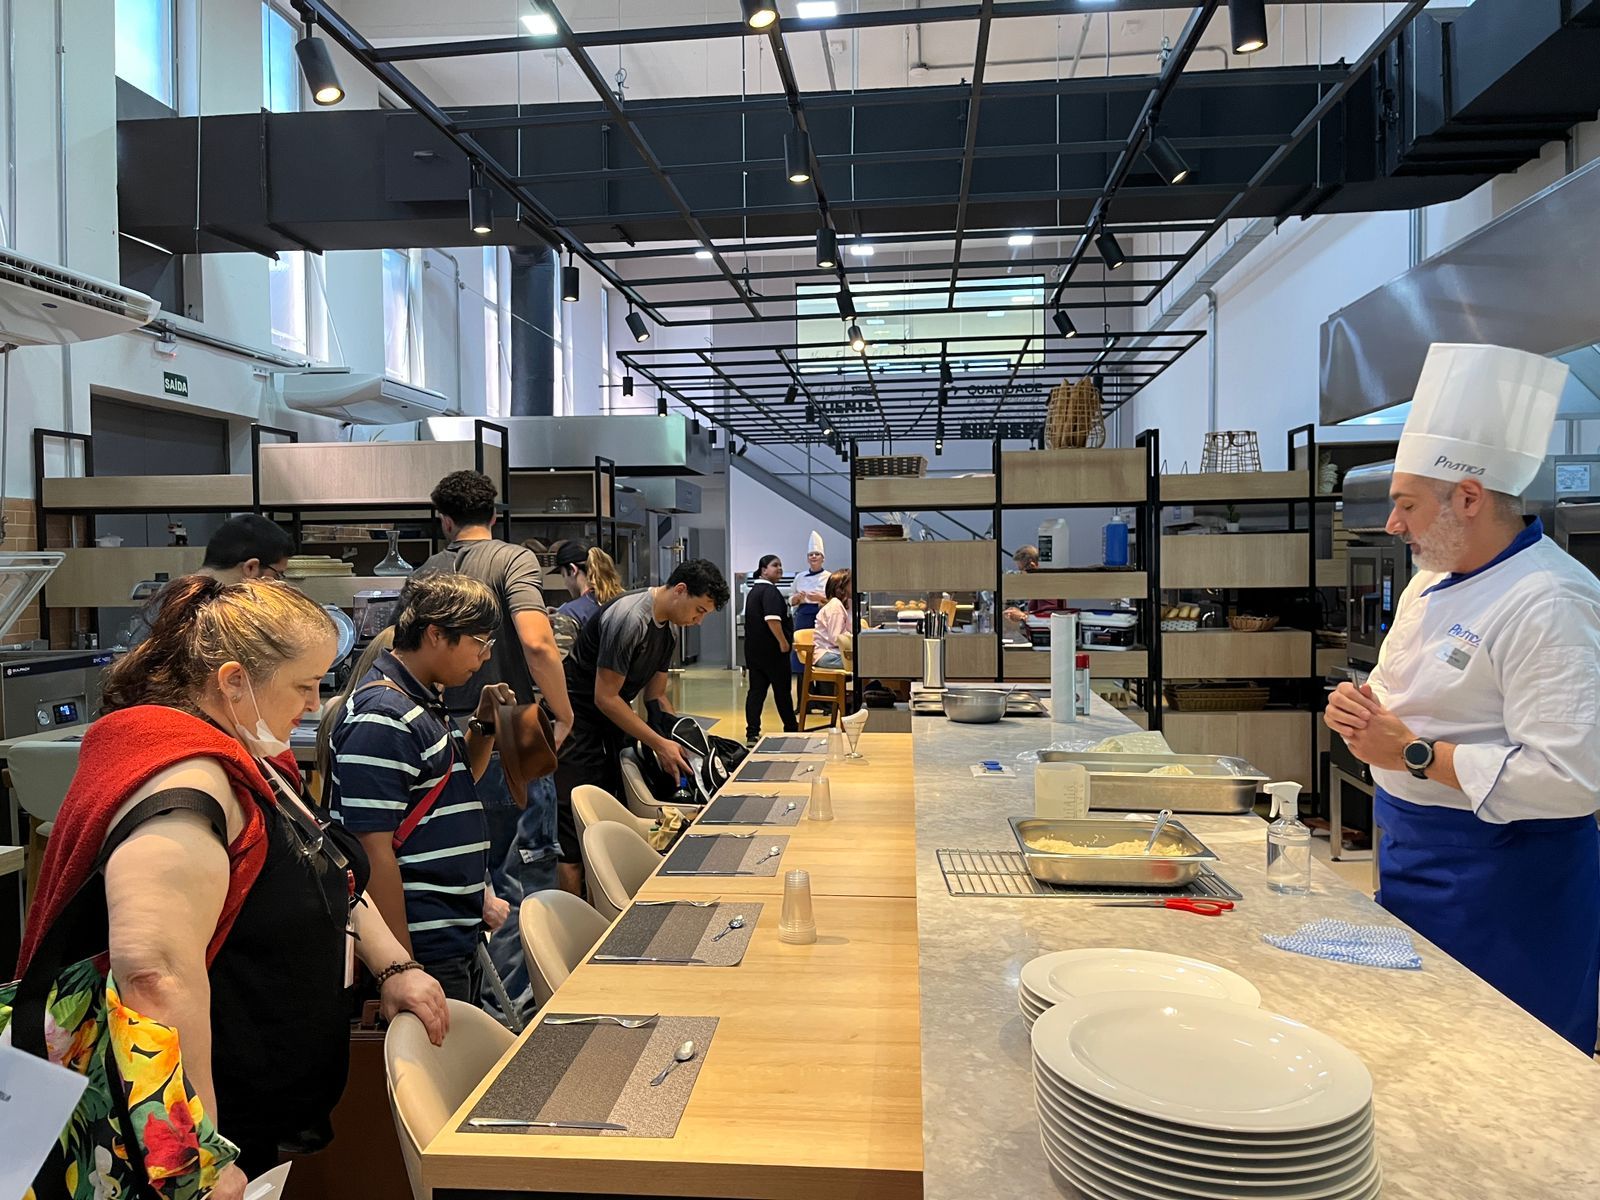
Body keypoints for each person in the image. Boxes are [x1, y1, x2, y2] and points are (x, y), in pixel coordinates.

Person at [16, 577, 447, 1196]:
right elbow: (153, 976)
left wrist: (393, 966)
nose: (315, 700)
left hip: (254, 1117)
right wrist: (196, 1159)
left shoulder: (245, 756)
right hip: (189, 1145)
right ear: (233, 680)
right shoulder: (183, 790)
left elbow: (329, 866)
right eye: (304, 685)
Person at [1323, 342, 1600, 1053]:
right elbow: (1397, 694)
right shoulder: (1430, 579)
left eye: (1406, 504)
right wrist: (1357, 709)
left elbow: (1570, 781)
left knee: (1510, 1085)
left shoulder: (1551, 600)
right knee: (1420, 1070)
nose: (1393, 525)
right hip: (1415, 865)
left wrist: (1412, 752)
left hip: (1507, 889)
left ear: (1468, 498)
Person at [327, 573, 516, 1005]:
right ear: (436, 634)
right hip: (422, 943)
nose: (485, 657)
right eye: (480, 642)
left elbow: (457, 780)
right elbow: (373, 850)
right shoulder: (382, 716)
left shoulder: (420, 697)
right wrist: (401, 967)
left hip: (451, 932)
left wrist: (483, 724)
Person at [418, 471, 575, 905]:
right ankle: (526, 976)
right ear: (493, 514)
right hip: (510, 733)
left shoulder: (425, 572)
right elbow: (538, 643)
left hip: (443, 739)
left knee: (472, 877)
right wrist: (563, 714)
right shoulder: (514, 559)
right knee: (525, 877)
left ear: (444, 520)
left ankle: (487, 975)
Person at [555, 560, 731, 893]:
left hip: (609, 726)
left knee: (608, 821)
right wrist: (658, 744)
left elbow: (657, 697)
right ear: (680, 590)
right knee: (575, 830)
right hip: (577, 726)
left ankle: (607, 898)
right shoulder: (630, 618)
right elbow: (605, 697)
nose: (699, 620)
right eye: (699, 610)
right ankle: (577, 918)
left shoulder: (667, 631)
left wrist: (682, 740)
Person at [124, 514, 296, 646]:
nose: (277, 585)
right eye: (277, 575)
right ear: (250, 568)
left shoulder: (170, 595)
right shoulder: (208, 609)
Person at [743, 554, 797, 745]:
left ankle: (752, 733)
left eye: (781, 565)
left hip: (754, 652)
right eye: (775, 565)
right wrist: (783, 642)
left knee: (756, 692)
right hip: (773, 653)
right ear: (763, 570)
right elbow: (772, 619)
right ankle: (792, 729)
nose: (779, 569)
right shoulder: (770, 591)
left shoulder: (754, 591)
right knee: (782, 692)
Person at [553, 540, 625, 627]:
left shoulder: (570, 613)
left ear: (573, 570)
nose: (565, 584)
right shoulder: (624, 602)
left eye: (563, 575)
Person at [1003, 544, 1063, 623]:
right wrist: (1021, 614)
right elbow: (1037, 613)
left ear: (1032, 566)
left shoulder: (1046, 586)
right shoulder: (1038, 585)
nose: (1021, 574)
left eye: (1021, 570)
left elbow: (1049, 619)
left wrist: (1022, 616)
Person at [812, 567, 853, 669]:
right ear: (842, 587)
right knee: (869, 661)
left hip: (835, 653)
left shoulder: (845, 604)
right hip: (828, 655)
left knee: (869, 660)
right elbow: (836, 638)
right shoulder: (835, 606)